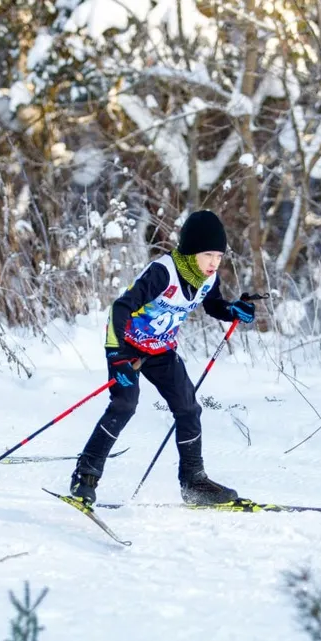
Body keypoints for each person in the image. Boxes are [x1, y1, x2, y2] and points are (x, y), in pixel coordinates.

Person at [69, 210, 255, 507]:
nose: (214, 263)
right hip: (126, 344)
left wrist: (232, 310)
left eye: (219, 256)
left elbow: (213, 304)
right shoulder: (163, 272)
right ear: (192, 250)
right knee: (124, 404)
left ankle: (194, 483)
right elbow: (119, 308)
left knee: (189, 408)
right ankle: (85, 476)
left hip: (160, 350)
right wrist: (117, 359)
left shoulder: (207, 278)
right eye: (208, 254)